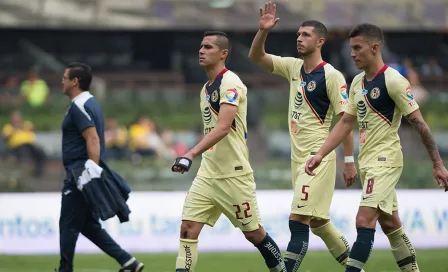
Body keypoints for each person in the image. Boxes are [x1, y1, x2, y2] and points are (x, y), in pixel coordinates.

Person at [305, 23, 448, 272]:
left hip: (386, 161)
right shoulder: (357, 83)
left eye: (358, 48)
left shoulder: (393, 81)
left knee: (364, 220)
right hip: (368, 163)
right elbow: (346, 122)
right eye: (351, 48)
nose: (352, 54)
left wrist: (437, 164)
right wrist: (320, 154)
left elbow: (420, 125)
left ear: (375, 48)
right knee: (391, 224)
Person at [248, 2, 359, 271]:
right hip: (298, 158)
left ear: (320, 41)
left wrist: (348, 160)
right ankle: (357, 268)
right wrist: (263, 31)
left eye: (306, 35)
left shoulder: (332, 76)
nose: (299, 38)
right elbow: (257, 57)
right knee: (320, 223)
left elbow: (346, 119)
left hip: (317, 157)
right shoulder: (293, 67)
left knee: (297, 221)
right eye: (298, 34)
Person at [171, 31, 286, 272]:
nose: (201, 51)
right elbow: (212, 130)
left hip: (233, 174)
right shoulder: (205, 89)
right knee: (187, 229)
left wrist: (191, 153)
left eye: (208, 47)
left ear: (223, 54)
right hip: (208, 173)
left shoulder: (231, 82)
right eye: (201, 46)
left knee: (254, 234)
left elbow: (223, 127)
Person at [58, 62, 144, 272]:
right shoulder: (92, 103)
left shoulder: (79, 105)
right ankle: (128, 262)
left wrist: (90, 171)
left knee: (68, 224)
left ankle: (64, 269)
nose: (61, 81)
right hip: (84, 170)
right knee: (87, 224)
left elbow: (93, 139)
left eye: (65, 77)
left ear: (75, 81)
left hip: (80, 172)